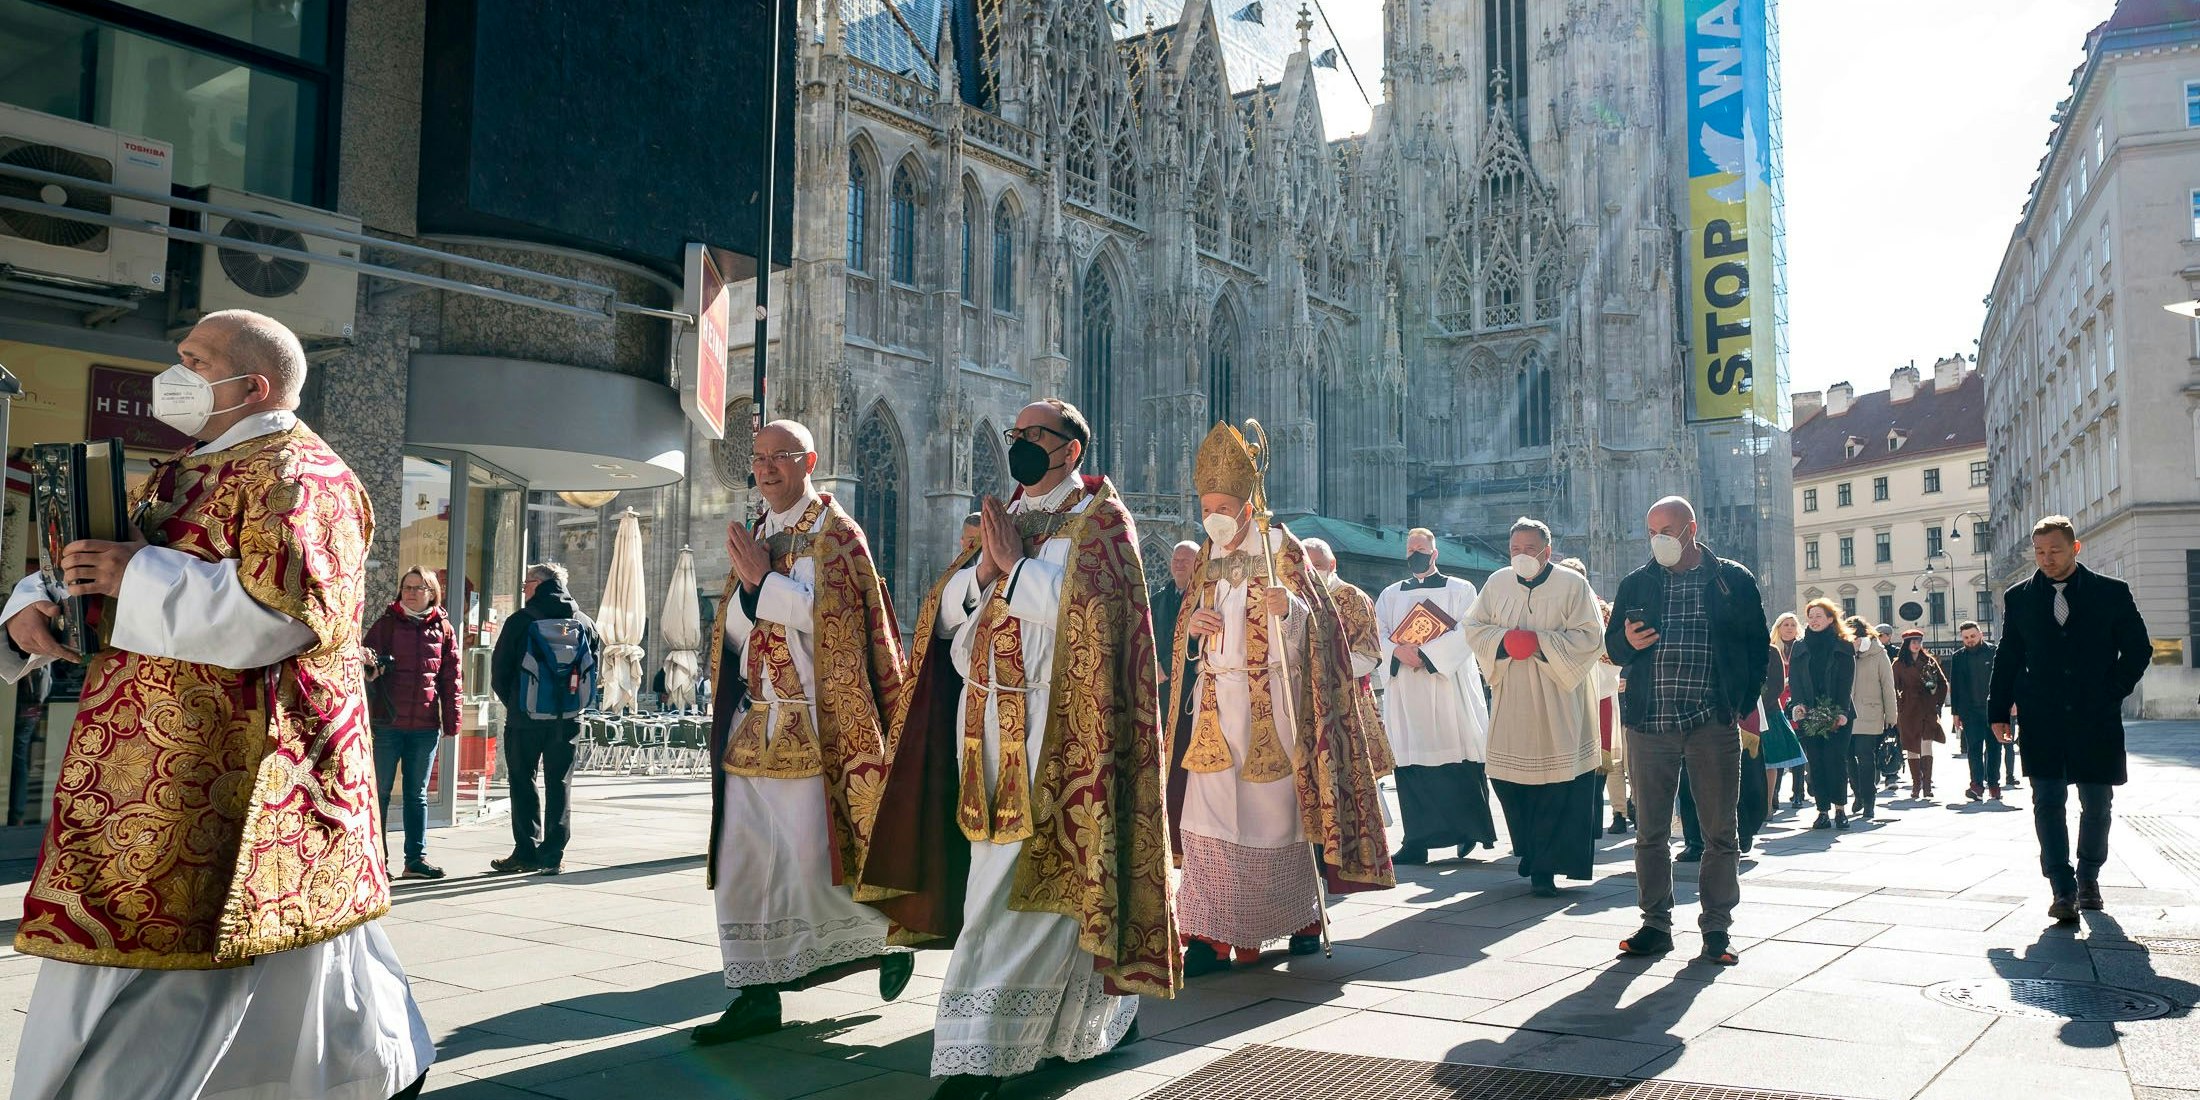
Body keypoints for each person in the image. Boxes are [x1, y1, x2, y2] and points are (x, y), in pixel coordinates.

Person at [0, 309, 433, 1099]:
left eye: (194, 361)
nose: (175, 375)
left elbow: (293, 618)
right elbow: (113, 558)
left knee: (199, 966)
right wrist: (35, 607)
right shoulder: (184, 468)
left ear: (253, 385)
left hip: (236, 775)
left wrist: (136, 577)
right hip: (143, 766)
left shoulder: (307, 478)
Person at [859, 399, 1174, 1100]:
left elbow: (1102, 616)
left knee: (1011, 891)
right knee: (1004, 885)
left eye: (1035, 436)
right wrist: (983, 573)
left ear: (1070, 450)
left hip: (1057, 729)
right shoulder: (1009, 514)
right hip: (982, 725)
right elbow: (943, 616)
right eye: (1017, 435)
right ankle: (1085, 1024)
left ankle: (977, 1054)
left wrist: (1014, 570)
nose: (1021, 445)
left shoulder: (1102, 522)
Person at [691, 419, 916, 1045]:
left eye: (780, 457)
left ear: (810, 460)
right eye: (758, 459)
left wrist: (765, 583)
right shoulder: (760, 529)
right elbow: (736, 626)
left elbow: (838, 625)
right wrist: (744, 603)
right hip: (755, 720)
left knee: (813, 860)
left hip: (818, 723)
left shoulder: (837, 534)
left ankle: (884, 936)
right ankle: (754, 991)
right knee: (743, 861)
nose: (766, 469)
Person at [1167, 423, 1393, 974]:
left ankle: (1298, 921)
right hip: (1216, 706)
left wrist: (1289, 609)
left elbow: (1324, 634)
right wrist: (1193, 629)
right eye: (1207, 505)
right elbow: (1182, 638)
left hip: (1274, 705)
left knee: (1276, 818)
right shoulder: (1203, 558)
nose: (1214, 515)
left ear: (1247, 504)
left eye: (1223, 505)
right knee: (1207, 817)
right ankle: (1207, 935)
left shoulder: (1281, 549)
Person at [1605, 496, 1767, 967]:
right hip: (1650, 722)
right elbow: (1612, 646)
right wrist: (1625, 643)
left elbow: (1757, 646)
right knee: (1650, 832)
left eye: (1668, 529)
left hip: (1711, 722)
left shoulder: (1730, 579)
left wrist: (1739, 703)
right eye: (1652, 530)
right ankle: (1655, 925)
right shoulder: (1637, 582)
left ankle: (1716, 929)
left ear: (1691, 528)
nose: (1659, 539)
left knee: (1720, 832)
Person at [1988, 516, 2151, 924]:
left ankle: (2089, 877)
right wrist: (1998, 709)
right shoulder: (2019, 597)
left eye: (2054, 550)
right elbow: (2009, 656)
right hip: (2041, 717)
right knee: (2047, 801)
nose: (2046, 559)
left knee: (2097, 803)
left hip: (2095, 717)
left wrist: (2111, 690)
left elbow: (2138, 649)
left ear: (2075, 548)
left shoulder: (2111, 593)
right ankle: (2061, 886)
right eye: (2040, 552)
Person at [1463, 520, 1606, 897]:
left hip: (1559, 693)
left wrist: (1539, 644)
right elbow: (1474, 627)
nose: (1520, 556)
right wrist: (1505, 641)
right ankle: (1528, 847)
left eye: (1528, 548)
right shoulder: (1496, 584)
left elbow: (1591, 636)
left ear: (1547, 549)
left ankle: (1546, 866)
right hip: (1513, 695)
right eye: (1514, 549)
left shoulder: (1574, 586)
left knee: (1556, 784)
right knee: (1507, 779)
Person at [1374, 528, 1497, 864]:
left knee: (1458, 754)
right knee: (1412, 760)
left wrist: (1427, 657)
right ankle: (1416, 842)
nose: (1416, 553)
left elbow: (1467, 630)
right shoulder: (1390, 594)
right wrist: (1398, 652)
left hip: (1447, 688)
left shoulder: (1461, 589)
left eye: (1422, 548)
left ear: (1435, 552)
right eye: (1411, 548)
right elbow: (1378, 633)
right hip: (1407, 691)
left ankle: (1469, 832)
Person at [489, 562, 600, 875]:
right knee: (560, 782)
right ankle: (552, 854)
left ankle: (525, 851)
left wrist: (516, 704)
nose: (524, 588)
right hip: (568, 718)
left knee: (522, 781)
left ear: (539, 584)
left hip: (525, 719)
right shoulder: (584, 622)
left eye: (527, 582)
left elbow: (500, 671)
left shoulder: (522, 620)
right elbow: (594, 672)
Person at [364, 566, 462, 880]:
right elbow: (363, 665)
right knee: (377, 793)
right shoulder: (386, 625)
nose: (411, 592)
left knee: (416, 795)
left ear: (432, 592)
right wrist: (372, 667)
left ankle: (415, 860)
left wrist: (452, 721)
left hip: (424, 726)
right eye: (407, 587)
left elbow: (451, 679)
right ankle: (376, 861)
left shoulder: (444, 629)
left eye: (419, 587)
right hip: (387, 723)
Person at [1305, 537, 1397, 781]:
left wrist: (1322, 666)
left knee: (1352, 772)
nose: (1313, 572)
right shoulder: (1296, 600)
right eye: (1307, 566)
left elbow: (1368, 656)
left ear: (1332, 563)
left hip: (1348, 698)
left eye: (1318, 564)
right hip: (1305, 699)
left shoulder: (1353, 598)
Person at [1786, 601, 1854, 830]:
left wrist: (1842, 712)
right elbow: (1795, 680)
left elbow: (1846, 682)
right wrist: (1798, 705)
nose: (1813, 620)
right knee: (1816, 764)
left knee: (1836, 761)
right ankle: (1822, 811)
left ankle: (1841, 809)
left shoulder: (1843, 646)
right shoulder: (1800, 646)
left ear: (1830, 619)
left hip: (1837, 713)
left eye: (1818, 616)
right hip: (1810, 714)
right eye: (1810, 616)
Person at [1844, 615, 1899, 819]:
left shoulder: (1878, 653)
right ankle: (1858, 793)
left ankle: (1869, 800)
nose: (1853, 642)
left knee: (1865, 757)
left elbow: (1887, 685)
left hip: (1870, 712)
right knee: (1848, 757)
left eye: (1855, 637)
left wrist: (1891, 716)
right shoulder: (1844, 652)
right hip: (1846, 714)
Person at [1948, 621, 2002, 800]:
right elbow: (1954, 687)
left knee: (1994, 748)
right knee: (1974, 749)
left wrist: (2011, 703)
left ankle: (1994, 784)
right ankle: (1977, 785)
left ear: (1981, 635)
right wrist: (1955, 713)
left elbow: (2006, 679)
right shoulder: (1958, 657)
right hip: (1970, 711)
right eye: (1965, 637)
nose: (1969, 640)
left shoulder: (1994, 652)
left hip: (1993, 709)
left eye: (1972, 636)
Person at [1893, 629, 1949, 800]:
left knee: (1926, 744)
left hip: (1927, 708)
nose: (1917, 645)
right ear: (1906, 644)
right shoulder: (1898, 664)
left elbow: (1942, 683)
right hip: (1908, 710)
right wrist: (1898, 705)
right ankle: (1916, 784)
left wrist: (1937, 702)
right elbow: (1892, 687)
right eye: (1913, 641)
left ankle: (1927, 785)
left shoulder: (1929, 661)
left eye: (1919, 641)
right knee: (1911, 747)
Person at [1770, 612, 1808, 808]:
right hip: (1776, 703)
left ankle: (1798, 793)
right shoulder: (1771, 649)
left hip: (1797, 703)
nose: (1789, 628)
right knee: (1778, 749)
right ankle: (1773, 793)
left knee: (1797, 750)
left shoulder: (1802, 648)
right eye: (1785, 624)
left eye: (1793, 624)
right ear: (1778, 628)